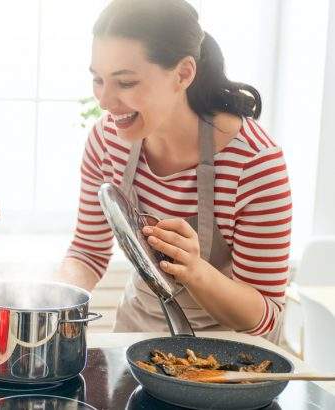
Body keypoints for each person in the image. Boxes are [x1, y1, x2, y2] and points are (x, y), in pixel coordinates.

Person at [57, 0, 291, 341]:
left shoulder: (254, 163)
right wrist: (55, 304)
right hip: (136, 342)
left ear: (183, 73)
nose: (105, 101)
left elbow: (264, 315)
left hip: (232, 359)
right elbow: (88, 251)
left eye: (125, 83)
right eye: (98, 80)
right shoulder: (108, 140)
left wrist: (194, 270)